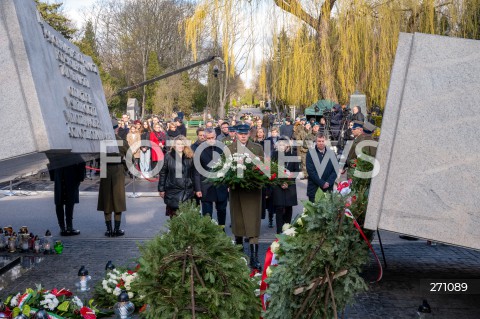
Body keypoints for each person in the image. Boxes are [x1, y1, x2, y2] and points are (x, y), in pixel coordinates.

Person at [228, 124, 264, 270]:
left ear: (249, 134)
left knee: (252, 224)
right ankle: (239, 255)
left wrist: (254, 159)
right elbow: (223, 167)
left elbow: (264, 167)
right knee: (238, 222)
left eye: (245, 133)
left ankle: (254, 258)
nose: (243, 136)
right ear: (236, 134)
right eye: (240, 133)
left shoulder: (257, 148)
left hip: (253, 192)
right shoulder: (229, 149)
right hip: (237, 191)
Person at [97, 119, 129, 237]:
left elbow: (98, 158)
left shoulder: (102, 142)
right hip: (118, 170)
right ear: (116, 128)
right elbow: (130, 159)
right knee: (118, 199)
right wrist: (123, 167)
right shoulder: (122, 142)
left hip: (105, 169)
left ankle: (109, 229)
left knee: (107, 200)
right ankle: (116, 229)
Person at [194, 128, 229, 227]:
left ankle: (222, 230)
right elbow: (196, 172)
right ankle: (208, 233)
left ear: (216, 136)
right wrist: (197, 189)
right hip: (205, 186)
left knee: (222, 210)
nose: (210, 140)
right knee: (207, 213)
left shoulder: (223, 148)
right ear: (204, 138)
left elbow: (227, 167)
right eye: (208, 138)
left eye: (212, 137)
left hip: (221, 185)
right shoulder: (199, 150)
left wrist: (228, 184)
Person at [158, 135, 198, 218]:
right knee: (174, 217)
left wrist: (196, 188)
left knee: (186, 218)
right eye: (178, 144)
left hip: (187, 190)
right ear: (174, 145)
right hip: (172, 191)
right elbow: (163, 173)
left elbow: (194, 173)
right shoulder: (168, 156)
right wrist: (161, 189)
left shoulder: (190, 156)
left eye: (182, 144)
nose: (180, 146)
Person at [48, 160, 85, 236]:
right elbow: (81, 161)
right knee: (69, 199)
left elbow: (51, 158)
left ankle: (63, 228)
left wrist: (53, 176)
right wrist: (81, 177)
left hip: (59, 168)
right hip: (71, 170)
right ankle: (69, 227)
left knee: (60, 200)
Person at [271, 137, 299, 234]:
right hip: (278, 185)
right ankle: (279, 231)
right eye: (280, 144)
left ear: (287, 145)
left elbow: (296, 171)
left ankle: (287, 229)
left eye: (283, 144)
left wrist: (288, 182)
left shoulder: (293, 154)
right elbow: (271, 170)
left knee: (288, 207)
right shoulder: (274, 155)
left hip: (290, 185)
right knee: (279, 208)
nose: (281, 146)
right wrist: (280, 182)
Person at [306, 133, 338, 202]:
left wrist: (328, 182)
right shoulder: (310, 153)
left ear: (325, 141)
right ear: (316, 142)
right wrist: (321, 183)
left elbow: (335, 170)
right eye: (319, 141)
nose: (321, 143)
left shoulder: (332, 153)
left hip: (328, 189)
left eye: (323, 141)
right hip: (314, 189)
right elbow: (311, 171)